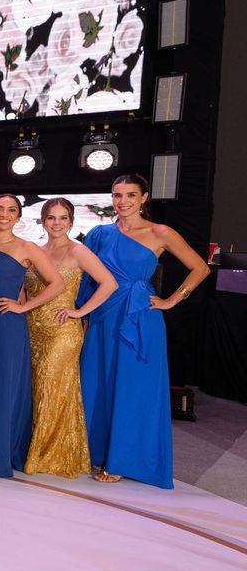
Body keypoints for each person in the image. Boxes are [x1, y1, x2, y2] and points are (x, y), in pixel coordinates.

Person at [77, 174, 209, 487]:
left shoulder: (160, 232)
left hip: (138, 317)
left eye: (130, 195)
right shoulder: (98, 234)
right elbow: (87, 280)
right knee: (98, 384)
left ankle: (123, 461)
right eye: (117, 195)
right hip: (102, 316)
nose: (122, 202)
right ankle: (97, 452)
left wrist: (171, 301)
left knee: (133, 389)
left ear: (144, 197)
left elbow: (200, 268)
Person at [24, 198, 118, 479]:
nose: (57, 223)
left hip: (62, 330)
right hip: (32, 329)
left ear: (71, 221)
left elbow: (109, 283)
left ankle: (48, 455)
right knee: (36, 389)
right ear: (43, 221)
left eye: (63, 218)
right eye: (51, 218)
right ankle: (40, 449)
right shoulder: (36, 251)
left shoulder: (79, 251)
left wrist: (80, 311)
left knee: (52, 389)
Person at [0, 194, 63, 478]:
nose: (4, 214)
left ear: (18, 216)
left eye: (11, 210)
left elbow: (57, 284)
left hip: (7, 323)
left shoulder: (26, 247)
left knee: (1, 387)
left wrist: (23, 306)